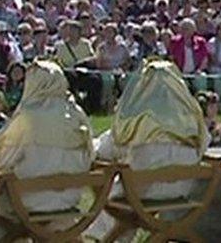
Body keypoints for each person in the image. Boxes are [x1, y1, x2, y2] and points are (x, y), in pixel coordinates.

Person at [88, 60, 208, 240]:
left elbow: (106, 149)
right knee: (128, 196)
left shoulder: (134, 117)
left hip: (140, 194)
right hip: (181, 191)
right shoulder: (191, 117)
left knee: (111, 190)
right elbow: (205, 143)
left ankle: (110, 237)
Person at [0, 61, 94, 239]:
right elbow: (90, 155)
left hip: (28, 202)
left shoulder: (27, 118)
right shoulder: (77, 115)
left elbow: (1, 161)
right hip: (69, 198)